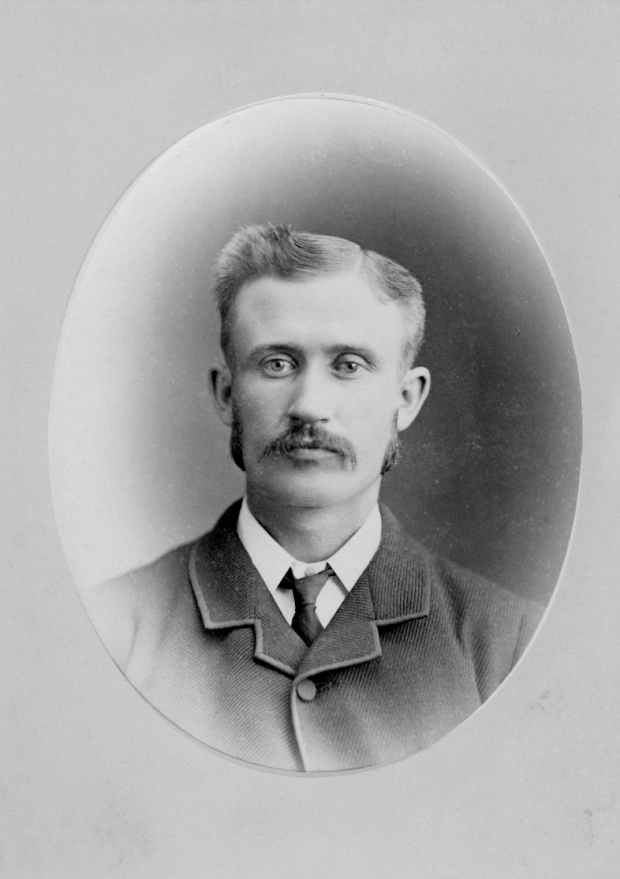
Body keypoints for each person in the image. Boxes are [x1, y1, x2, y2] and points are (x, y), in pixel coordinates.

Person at [85, 224, 542, 772]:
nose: (309, 405)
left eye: (349, 366)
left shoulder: (509, 644)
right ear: (227, 395)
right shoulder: (116, 628)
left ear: (406, 397)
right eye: (277, 363)